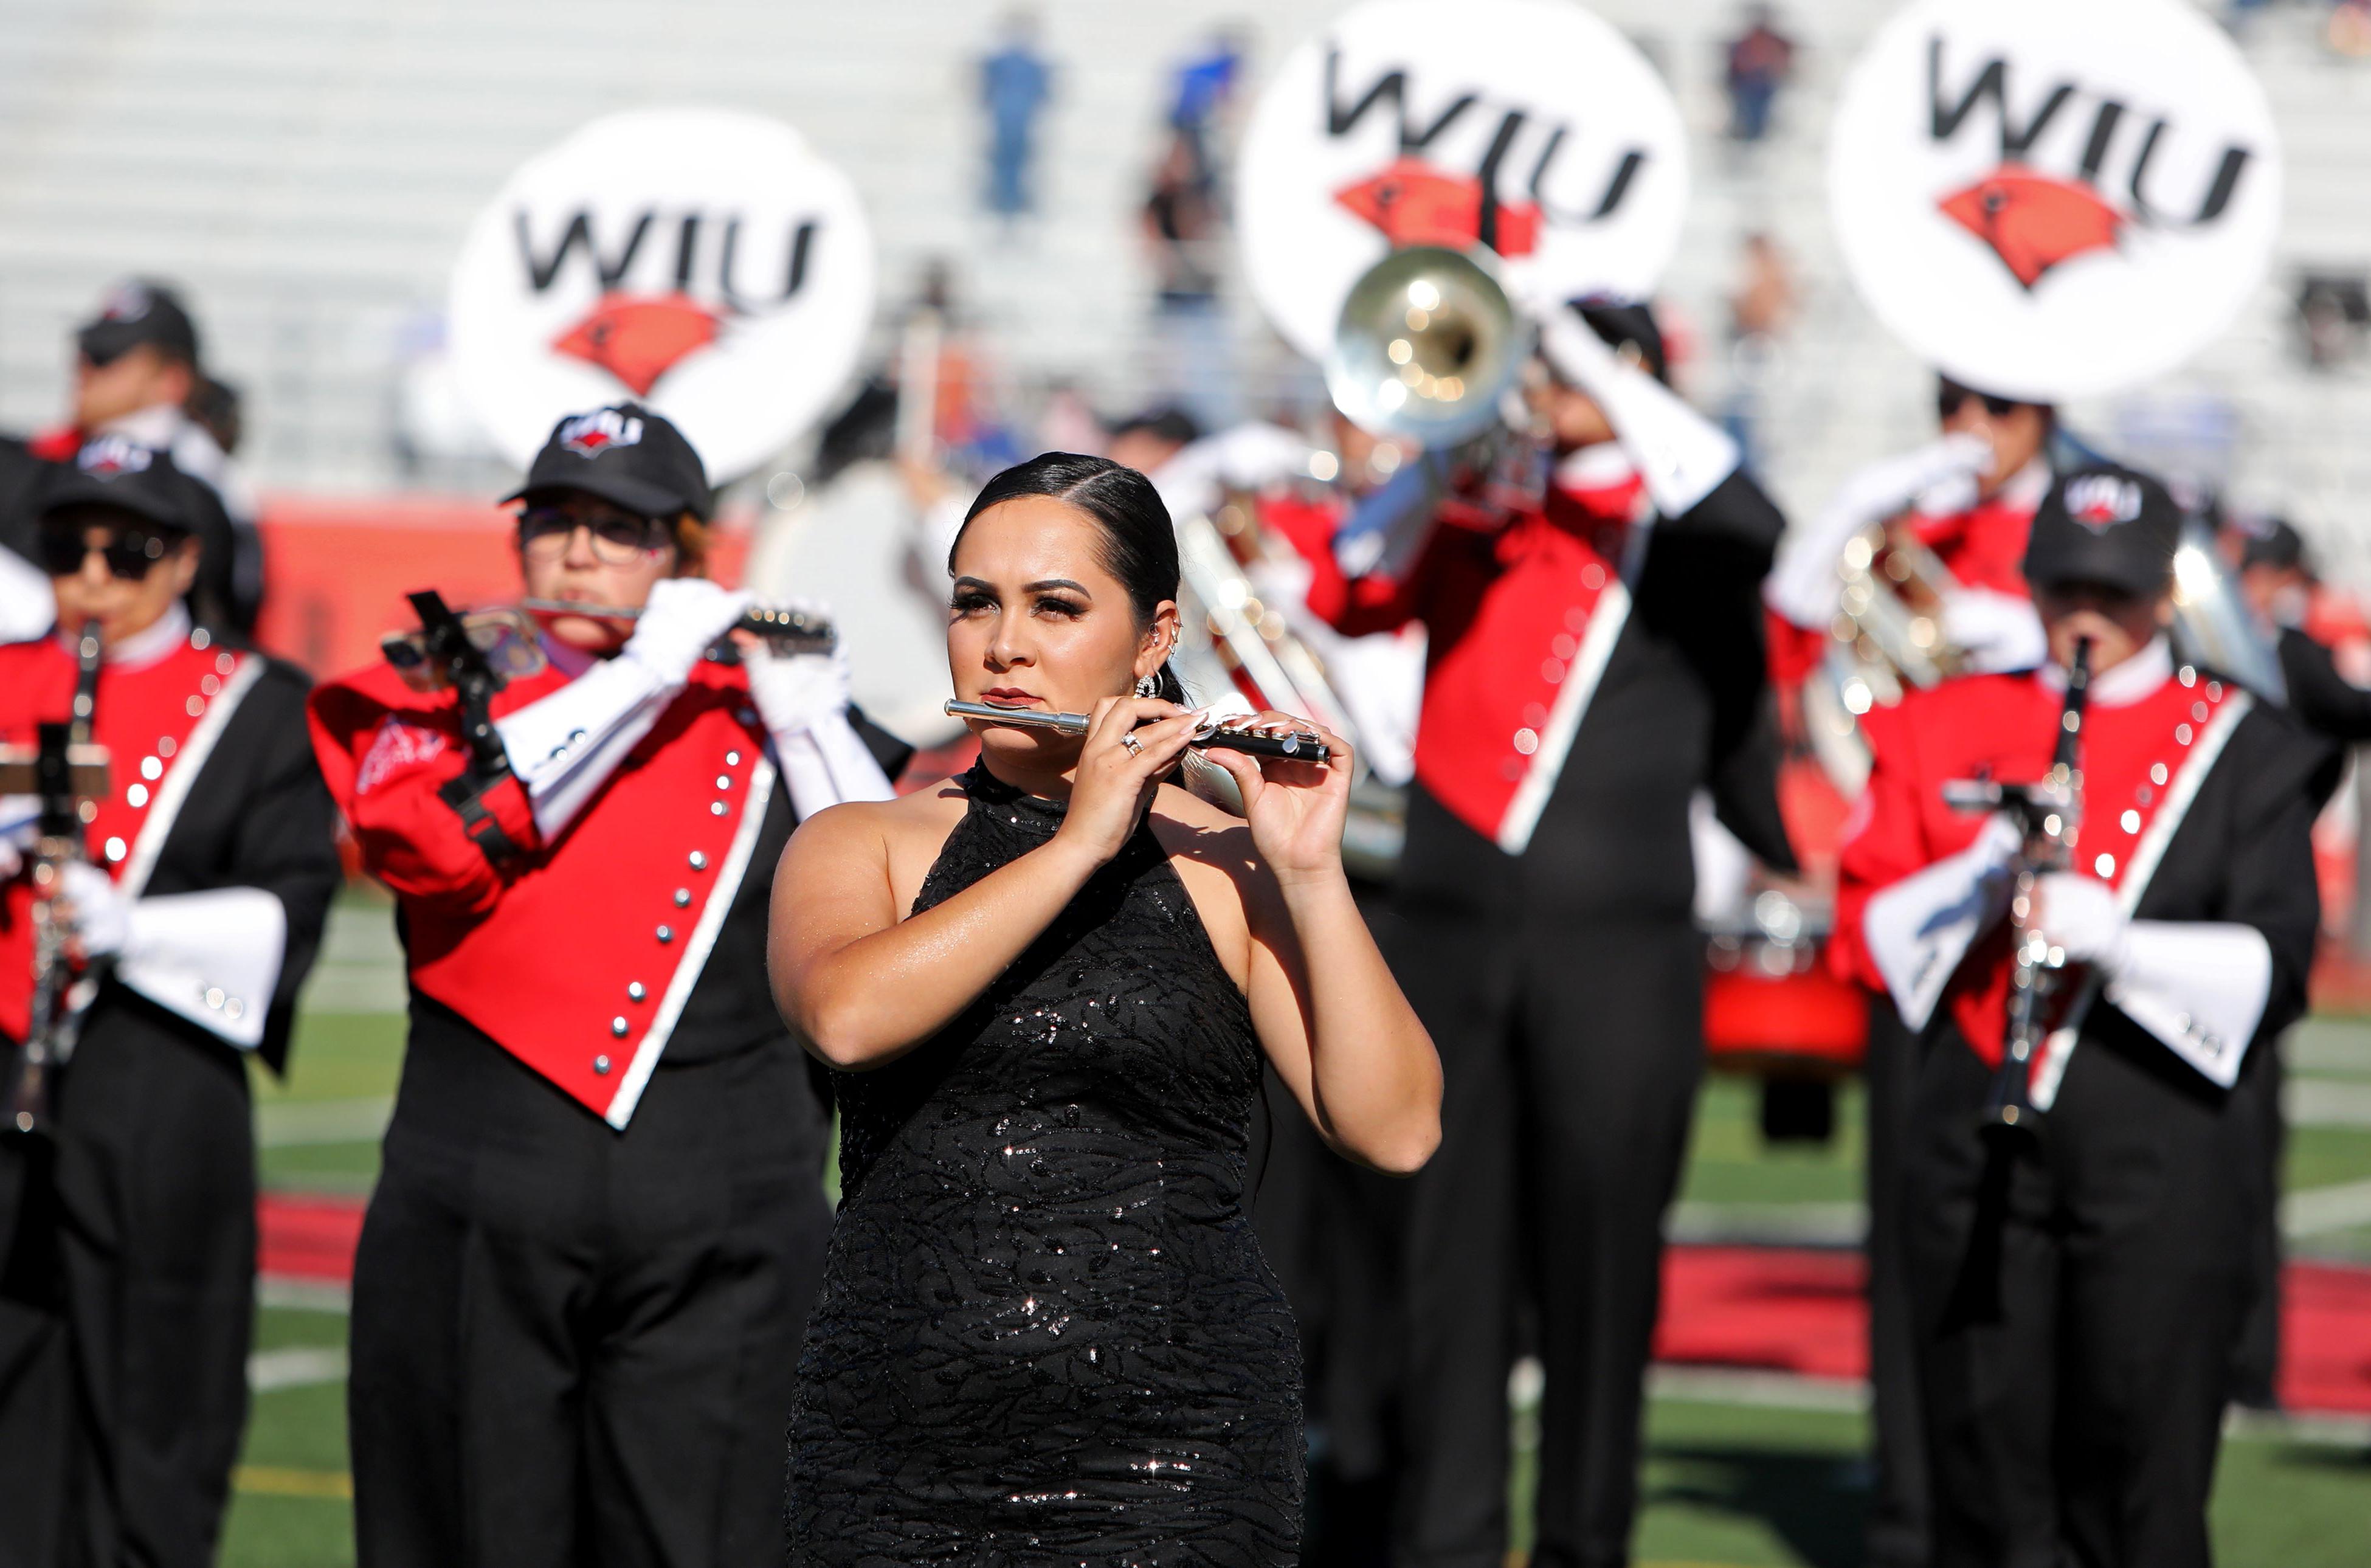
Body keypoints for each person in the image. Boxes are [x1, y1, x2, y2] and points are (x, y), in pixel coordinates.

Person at [773, 452, 1441, 1564]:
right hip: (895, 1445)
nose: (1006, 643)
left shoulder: (1229, 865)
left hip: (1182, 1454)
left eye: (1057, 606)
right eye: (976, 601)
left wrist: (1311, 873)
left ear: (1154, 637)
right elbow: (845, 1014)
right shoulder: (859, 842)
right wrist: (1083, 839)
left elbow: (1397, 1126)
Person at [307, 403, 909, 1568]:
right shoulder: (445, 680)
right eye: (556, 520)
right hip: (481, 1192)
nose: (581, 549)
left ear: (686, 555)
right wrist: (639, 675)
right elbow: (427, 842)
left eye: (623, 527)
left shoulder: (764, 704)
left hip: (729, 1215)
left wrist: (812, 717)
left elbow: (883, 916)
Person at [1300, 297, 1793, 1567]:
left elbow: (1758, 522)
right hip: (1455, 946)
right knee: (1445, 1272)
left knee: (1600, 1274)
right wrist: (1448, 451)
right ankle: (1445, 1540)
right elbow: (1349, 579)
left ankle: (1587, 1542)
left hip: (1619, 957)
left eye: (1595, 362)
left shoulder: (1680, 527)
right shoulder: (1481, 505)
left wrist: (1594, 365)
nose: (1559, 380)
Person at [1834, 463, 2335, 1568]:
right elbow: (1864, 935)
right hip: (1974, 1147)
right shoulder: (1946, 720)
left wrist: (2122, 941)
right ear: (2032, 582)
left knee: (2143, 1486)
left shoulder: (2245, 744)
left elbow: (2278, 967)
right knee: (1982, 1482)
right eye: (2066, 588)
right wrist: (1981, 877)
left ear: (2165, 587)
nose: (2088, 616)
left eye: (2115, 590)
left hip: (2159, 1153)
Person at [0, 435, 340, 1568]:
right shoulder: (8, 675)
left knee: (158, 1407)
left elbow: (293, 914)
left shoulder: (259, 709)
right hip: (9, 1073)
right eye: (65, 544)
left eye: (126, 548)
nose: (92, 574)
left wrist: (131, 925)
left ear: (185, 556)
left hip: (159, 1084)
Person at [26, 281, 264, 638]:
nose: (84, 367)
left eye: (106, 356)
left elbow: (219, 612)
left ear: (171, 381)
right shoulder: (61, 451)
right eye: (85, 350)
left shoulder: (192, 473)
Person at [978, 10, 1052, 221]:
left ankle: (1011, 203)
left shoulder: (1026, 63)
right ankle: (1006, 203)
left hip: (1015, 120)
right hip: (1009, 120)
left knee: (1015, 163)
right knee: (1007, 162)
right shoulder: (1006, 61)